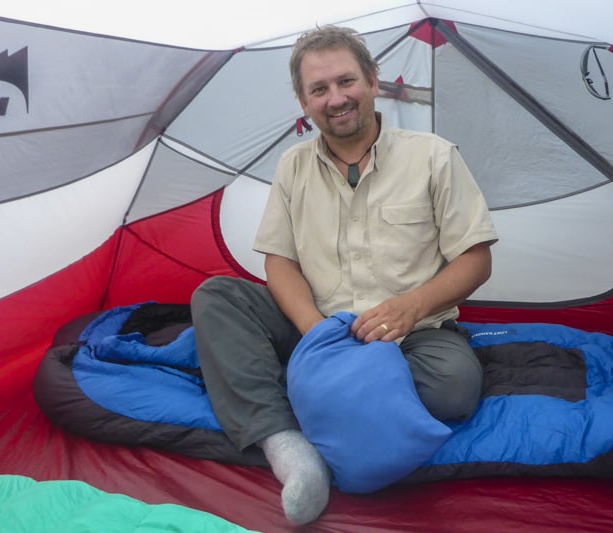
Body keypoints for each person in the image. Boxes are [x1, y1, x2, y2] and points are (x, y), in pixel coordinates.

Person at [190, 25, 497, 526]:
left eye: (346, 81)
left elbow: (475, 259)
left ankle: (304, 396)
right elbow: (280, 262)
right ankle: (289, 448)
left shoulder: (434, 156)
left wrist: (411, 307)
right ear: (303, 102)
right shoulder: (292, 167)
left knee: (453, 387)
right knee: (217, 297)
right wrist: (317, 336)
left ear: (374, 82)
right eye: (319, 89)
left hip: (409, 337)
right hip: (316, 327)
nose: (336, 98)